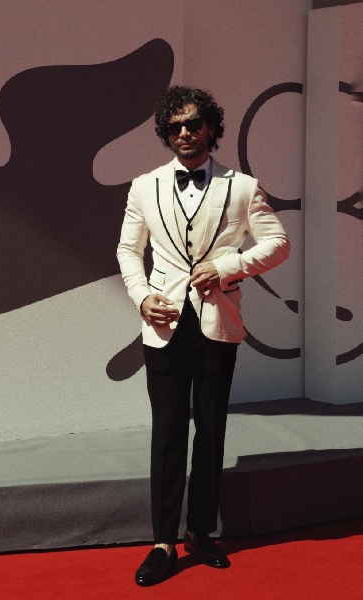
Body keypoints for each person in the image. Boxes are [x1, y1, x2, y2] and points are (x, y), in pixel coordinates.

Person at [117, 85, 290, 586]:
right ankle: (162, 542)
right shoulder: (143, 186)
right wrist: (141, 296)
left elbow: (277, 243)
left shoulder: (243, 187)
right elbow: (128, 250)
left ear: (211, 127)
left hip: (218, 322)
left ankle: (200, 531)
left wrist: (228, 266)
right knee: (168, 431)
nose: (185, 133)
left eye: (193, 123)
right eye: (174, 127)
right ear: (165, 134)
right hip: (163, 324)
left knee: (211, 430)